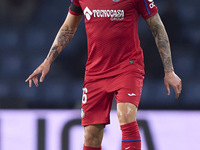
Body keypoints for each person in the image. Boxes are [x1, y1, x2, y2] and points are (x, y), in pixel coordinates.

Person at [26, 0, 182, 149]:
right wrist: (47, 61)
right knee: (91, 136)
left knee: (126, 114)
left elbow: (157, 27)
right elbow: (68, 27)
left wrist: (169, 70)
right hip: (95, 72)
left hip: (127, 67)